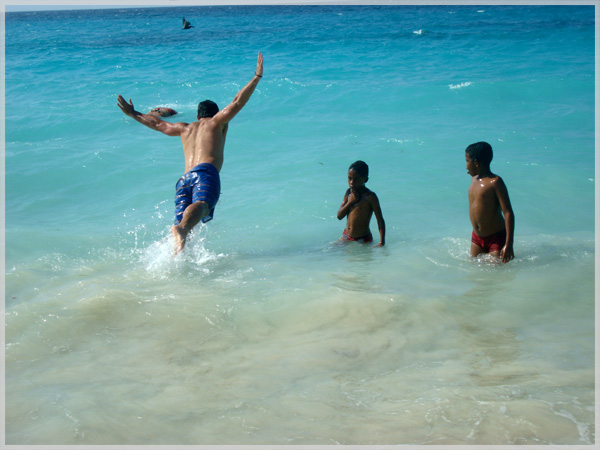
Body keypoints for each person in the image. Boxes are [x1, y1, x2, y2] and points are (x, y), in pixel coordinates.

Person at [117, 52, 264, 255]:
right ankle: (181, 229)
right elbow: (237, 101)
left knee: (185, 232)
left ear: (197, 116)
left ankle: (173, 248)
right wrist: (256, 77)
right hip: (205, 174)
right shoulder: (216, 122)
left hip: (184, 179)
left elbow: (158, 123)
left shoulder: (184, 128)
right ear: (216, 113)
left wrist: (133, 113)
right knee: (202, 206)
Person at [465, 141, 515, 263]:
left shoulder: (495, 182)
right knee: (475, 272)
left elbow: (508, 213)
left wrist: (509, 245)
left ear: (476, 163)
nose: (466, 165)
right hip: (476, 238)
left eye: (467, 161)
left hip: (496, 238)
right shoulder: (473, 180)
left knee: (496, 275)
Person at [337, 160, 385, 247]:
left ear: (365, 180)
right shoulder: (348, 193)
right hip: (347, 236)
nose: (351, 182)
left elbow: (380, 220)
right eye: (349, 178)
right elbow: (339, 216)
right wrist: (350, 202)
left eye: (356, 179)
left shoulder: (370, 197)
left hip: (363, 239)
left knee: (360, 260)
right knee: (331, 252)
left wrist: (382, 242)